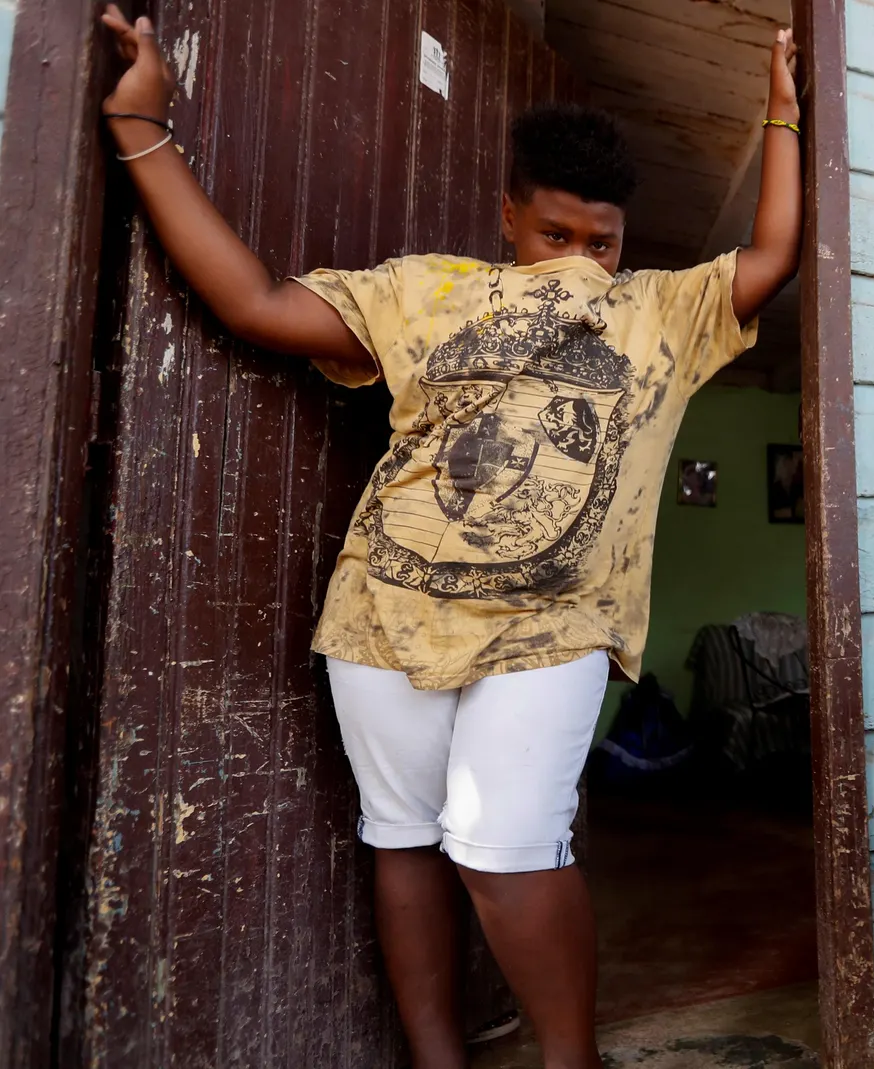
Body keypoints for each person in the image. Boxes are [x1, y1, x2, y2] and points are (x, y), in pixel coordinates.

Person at [97, 7, 803, 1068]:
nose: (576, 260)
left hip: (554, 630)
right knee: (405, 839)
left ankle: (570, 1056)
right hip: (384, 614)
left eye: (599, 243)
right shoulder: (426, 290)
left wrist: (782, 119)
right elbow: (251, 302)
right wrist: (139, 126)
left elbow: (777, 251)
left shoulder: (667, 309)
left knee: (510, 846)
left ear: (626, 241)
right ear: (508, 217)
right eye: (554, 235)